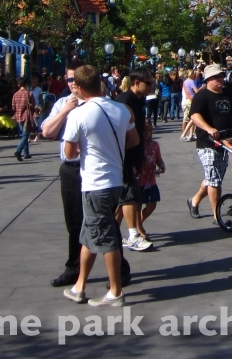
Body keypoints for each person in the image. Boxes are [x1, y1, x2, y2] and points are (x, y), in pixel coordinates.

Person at [41, 61, 132, 289]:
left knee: (104, 223)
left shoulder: (103, 106)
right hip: (73, 170)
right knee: (77, 223)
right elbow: (47, 131)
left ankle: (118, 275)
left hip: (97, 172)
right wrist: (65, 110)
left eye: (75, 80)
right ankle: (76, 273)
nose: (71, 84)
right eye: (68, 80)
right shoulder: (64, 104)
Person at [61, 64, 139, 307]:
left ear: (81, 88)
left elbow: (69, 153)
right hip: (115, 178)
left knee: (105, 237)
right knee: (89, 233)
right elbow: (133, 140)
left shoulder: (79, 114)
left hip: (95, 182)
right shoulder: (121, 109)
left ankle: (115, 291)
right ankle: (79, 286)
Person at [187, 63, 232, 220]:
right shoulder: (201, 96)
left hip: (226, 142)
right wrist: (208, 128)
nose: (220, 79)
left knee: (213, 177)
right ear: (208, 79)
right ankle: (216, 215)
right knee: (214, 179)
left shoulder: (229, 94)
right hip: (207, 143)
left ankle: (194, 201)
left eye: (221, 76)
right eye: (216, 77)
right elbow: (194, 116)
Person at [116, 68, 155, 251]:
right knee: (128, 198)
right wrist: (129, 162)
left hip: (137, 156)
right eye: (148, 83)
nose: (151, 87)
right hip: (126, 158)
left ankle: (115, 233)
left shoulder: (139, 101)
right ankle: (132, 234)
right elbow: (121, 135)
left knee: (125, 200)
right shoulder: (125, 101)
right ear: (136, 82)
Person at [137, 121, 165, 239]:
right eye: (144, 131)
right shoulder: (137, 145)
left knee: (152, 204)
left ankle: (140, 222)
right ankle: (139, 228)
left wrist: (162, 165)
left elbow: (158, 158)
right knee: (137, 206)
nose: (147, 133)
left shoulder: (154, 145)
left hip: (150, 179)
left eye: (149, 131)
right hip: (139, 180)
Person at [12, 77, 35, 161]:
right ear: (26, 84)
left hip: (18, 116)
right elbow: (33, 104)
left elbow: (13, 107)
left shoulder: (15, 94)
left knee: (24, 135)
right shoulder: (29, 94)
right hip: (26, 116)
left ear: (19, 84)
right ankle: (19, 150)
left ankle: (26, 153)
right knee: (25, 135)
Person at [181, 69, 198, 141]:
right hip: (190, 100)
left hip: (186, 100)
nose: (195, 75)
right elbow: (196, 91)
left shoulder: (185, 82)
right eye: (194, 74)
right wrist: (203, 88)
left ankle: (190, 135)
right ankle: (184, 134)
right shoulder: (191, 81)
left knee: (190, 119)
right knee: (191, 119)